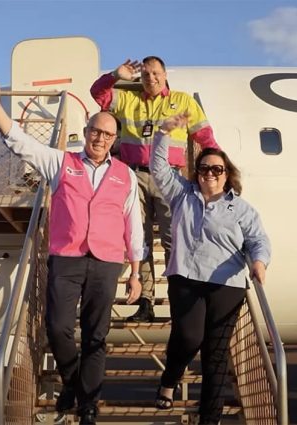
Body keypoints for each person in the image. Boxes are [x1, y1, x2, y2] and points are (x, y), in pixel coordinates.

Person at [0, 75, 144, 425]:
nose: (100, 138)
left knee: (96, 336)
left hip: (107, 263)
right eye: (96, 131)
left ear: (114, 140)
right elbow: (19, 142)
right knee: (58, 328)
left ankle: (88, 404)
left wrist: (136, 274)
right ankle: (74, 384)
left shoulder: (126, 175)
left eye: (108, 134)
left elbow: (133, 224)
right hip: (67, 259)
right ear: (88, 131)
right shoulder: (61, 163)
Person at [150, 114, 271, 425]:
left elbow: (258, 239)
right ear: (197, 172)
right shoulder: (182, 195)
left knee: (215, 356)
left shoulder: (241, 208)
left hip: (226, 285)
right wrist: (164, 132)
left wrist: (259, 262)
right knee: (188, 338)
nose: (210, 174)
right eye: (204, 169)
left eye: (217, 169)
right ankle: (169, 380)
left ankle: (209, 420)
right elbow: (159, 168)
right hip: (186, 279)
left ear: (226, 174)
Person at [90, 56, 220, 322]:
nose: (151, 78)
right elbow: (98, 93)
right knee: (140, 240)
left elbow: (204, 137)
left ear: (165, 74)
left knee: (175, 240)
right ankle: (145, 302)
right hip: (134, 176)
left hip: (168, 178)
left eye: (156, 73)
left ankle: (180, 301)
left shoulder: (182, 101)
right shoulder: (129, 100)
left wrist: (216, 169)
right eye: (146, 74)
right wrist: (115, 74)